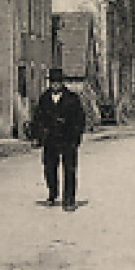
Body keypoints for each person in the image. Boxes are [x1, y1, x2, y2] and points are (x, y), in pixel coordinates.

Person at [31, 67, 87, 211]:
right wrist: (38, 136)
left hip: (68, 139)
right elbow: (38, 118)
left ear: (62, 83)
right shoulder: (44, 98)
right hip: (50, 139)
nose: (55, 85)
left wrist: (76, 138)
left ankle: (69, 199)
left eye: (58, 82)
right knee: (49, 168)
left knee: (69, 169)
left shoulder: (72, 98)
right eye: (53, 82)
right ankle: (53, 193)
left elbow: (80, 120)